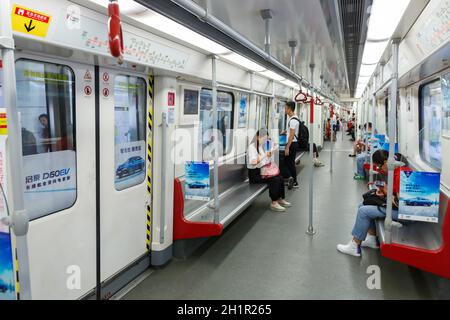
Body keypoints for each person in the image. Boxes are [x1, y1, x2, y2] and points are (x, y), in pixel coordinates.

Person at [337, 150, 411, 257]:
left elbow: (400, 203)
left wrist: (386, 192)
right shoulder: (395, 171)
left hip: (403, 213)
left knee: (364, 211)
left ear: (386, 162)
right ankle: (372, 239)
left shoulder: (400, 175)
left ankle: (354, 246)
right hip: (396, 208)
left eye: (380, 167)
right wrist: (384, 192)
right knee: (362, 205)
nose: (380, 170)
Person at [247, 129, 291, 212]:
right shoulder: (252, 147)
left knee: (280, 177)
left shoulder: (261, 146)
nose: (264, 141)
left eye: (266, 139)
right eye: (263, 138)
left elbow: (265, 160)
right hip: (255, 174)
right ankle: (274, 202)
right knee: (274, 179)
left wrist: (270, 154)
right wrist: (265, 155)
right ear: (257, 137)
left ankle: (280, 198)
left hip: (262, 170)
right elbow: (253, 162)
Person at [282, 101, 300, 189]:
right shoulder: (293, 118)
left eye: (285, 108)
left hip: (292, 144)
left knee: (288, 163)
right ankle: (291, 179)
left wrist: (287, 147)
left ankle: (294, 180)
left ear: (289, 109)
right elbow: (290, 131)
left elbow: (292, 135)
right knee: (289, 163)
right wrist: (285, 131)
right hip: (292, 143)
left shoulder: (292, 120)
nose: (284, 110)